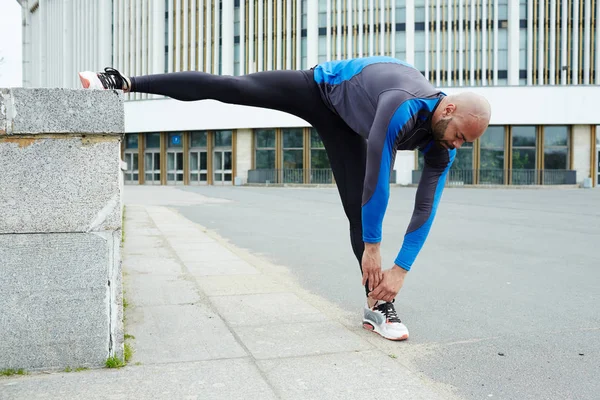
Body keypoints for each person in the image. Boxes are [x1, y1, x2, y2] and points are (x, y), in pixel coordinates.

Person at [79, 56, 491, 341]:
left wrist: (400, 268)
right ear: (448, 107)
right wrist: (374, 245)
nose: (458, 145)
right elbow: (377, 177)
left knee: (355, 213)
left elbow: (425, 208)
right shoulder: (402, 106)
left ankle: (378, 307)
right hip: (320, 88)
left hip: (349, 126)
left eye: (466, 142)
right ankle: (120, 81)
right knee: (233, 87)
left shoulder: (445, 145)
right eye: (459, 134)